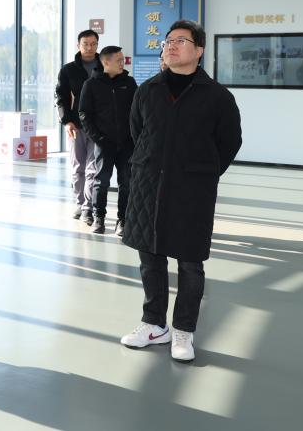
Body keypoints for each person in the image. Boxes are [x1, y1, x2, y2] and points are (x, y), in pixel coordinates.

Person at [120, 20, 242, 362]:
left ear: (199, 50)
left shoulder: (217, 97)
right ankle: (153, 324)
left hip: (192, 190)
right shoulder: (148, 90)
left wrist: (203, 173)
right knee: (150, 258)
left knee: (190, 263)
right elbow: (138, 132)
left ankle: (184, 330)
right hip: (148, 186)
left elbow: (229, 142)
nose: (171, 45)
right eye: (168, 40)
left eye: (181, 40)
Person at [78, 45, 137, 235]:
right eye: (119, 60)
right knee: (101, 181)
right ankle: (99, 218)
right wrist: (99, 138)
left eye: (123, 60)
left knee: (126, 182)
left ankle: (123, 220)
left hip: (126, 144)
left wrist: (134, 136)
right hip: (104, 143)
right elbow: (84, 115)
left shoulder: (129, 83)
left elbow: (137, 112)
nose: (123, 63)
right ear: (105, 62)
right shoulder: (91, 85)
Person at [55, 29, 101, 223]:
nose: (89, 48)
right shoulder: (68, 70)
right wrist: (66, 121)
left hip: (98, 127)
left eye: (93, 44)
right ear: (78, 45)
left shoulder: (104, 66)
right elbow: (60, 97)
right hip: (76, 125)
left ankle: (88, 208)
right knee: (78, 167)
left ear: (97, 45)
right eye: (85, 44)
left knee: (93, 168)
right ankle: (79, 202)